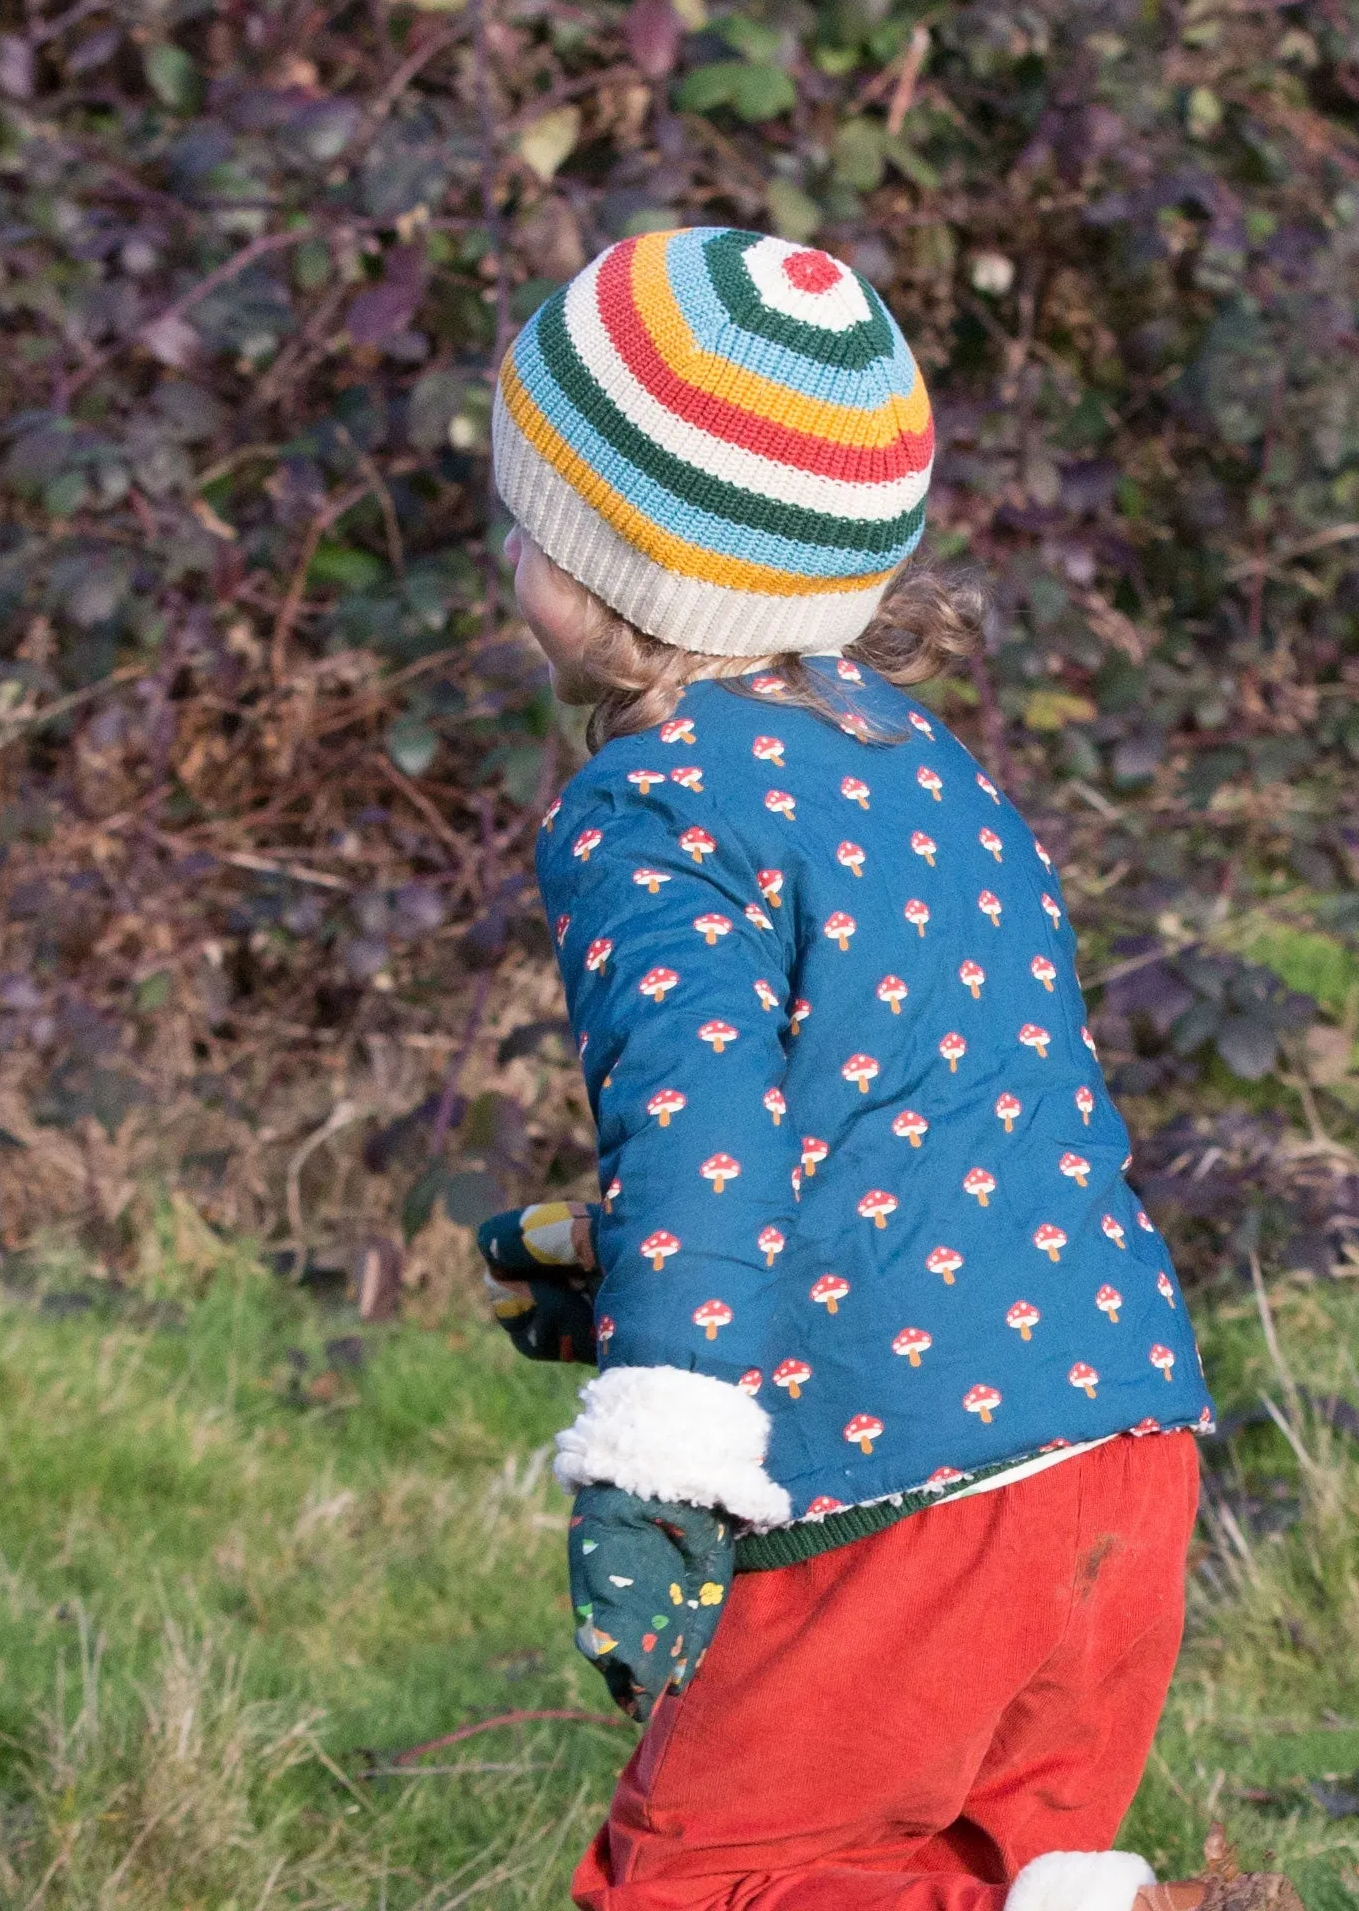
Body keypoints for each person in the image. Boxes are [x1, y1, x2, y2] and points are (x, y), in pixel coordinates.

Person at [474, 227, 1216, 1911]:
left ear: (615, 575)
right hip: (1123, 1437)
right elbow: (929, 1108)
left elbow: (705, 1146)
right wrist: (648, 1283)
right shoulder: (913, 756)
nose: (507, 544)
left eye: (531, 514)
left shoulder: (650, 808)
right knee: (1001, 1863)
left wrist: (661, 1448)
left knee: (711, 1883)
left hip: (908, 1486)